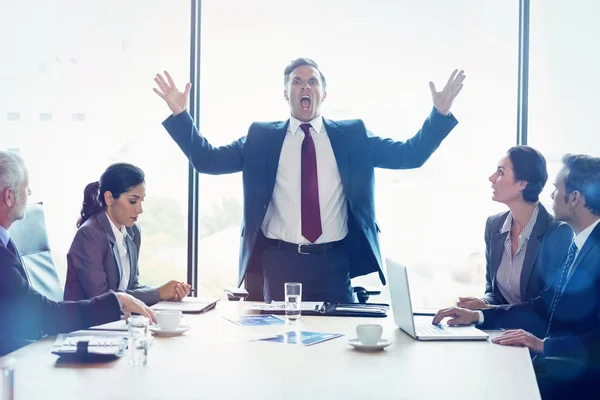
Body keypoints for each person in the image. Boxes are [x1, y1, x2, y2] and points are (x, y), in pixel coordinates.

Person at [154, 58, 465, 302]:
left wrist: (439, 113)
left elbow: (409, 155)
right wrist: (181, 115)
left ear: (324, 93)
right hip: (279, 264)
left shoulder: (352, 135)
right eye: (297, 82)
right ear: (286, 93)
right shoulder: (261, 137)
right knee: (279, 349)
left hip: (333, 264)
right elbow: (208, 161)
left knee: (338, 353)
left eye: (312, 81)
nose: (305, 87)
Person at [433, 154, 600, 399]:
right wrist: (479, 315)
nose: (551, 196)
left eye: (556, 189)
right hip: (557, 365)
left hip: (580, 379)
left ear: (574, 198)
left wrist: (543, 344)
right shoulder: (580, 245)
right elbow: (544, 305)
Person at [0, 151, 156, 356]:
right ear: (9, 196)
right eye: (25, 187)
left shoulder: (6, 244)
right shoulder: (90, 234)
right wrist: (117, 301)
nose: (29, 192)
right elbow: (41, 314)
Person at [457, 146, 572, 310]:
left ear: (522, 183)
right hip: (500, 330)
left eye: (501, 172)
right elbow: (494, 294)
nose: (492, 178)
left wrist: (485, 313)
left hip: (534, 334)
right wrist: (480, 305)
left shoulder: (558, 232)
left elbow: (545, 307)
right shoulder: (494, 225)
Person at [64, 163, 190, 305]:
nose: (140, 210)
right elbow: (101, 298)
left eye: (141, 201)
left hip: (120, 320)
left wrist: (169, 292)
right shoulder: (89, 235)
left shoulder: (132, 231)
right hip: (89, 323)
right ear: (109, 198)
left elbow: (132, 287)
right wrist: (158, 293)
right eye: (133, 201)